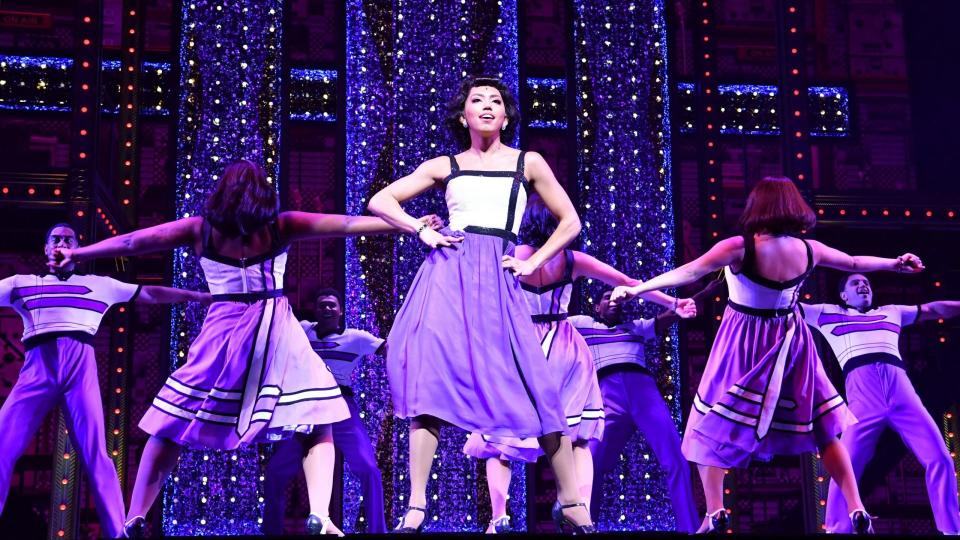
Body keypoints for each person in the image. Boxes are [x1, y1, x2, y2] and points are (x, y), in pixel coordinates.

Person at [50, 160, 439, 537]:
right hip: (273, 327)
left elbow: (135, 241)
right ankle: (319, 512)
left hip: (224, 327)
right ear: (263, 191)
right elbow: (349, 225)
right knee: (319, 418)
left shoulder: (200, 230)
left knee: (170, 422)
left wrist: (79, 255)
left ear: (221, 192)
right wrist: (411, 226)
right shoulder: (281, 225)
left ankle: (136, 515)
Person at [610, 176, 924, 534]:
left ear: (757, 206)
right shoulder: (808, 250)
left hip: (743, 341)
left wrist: (638, 289)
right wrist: (894, 262)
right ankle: (856, 506)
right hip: (791, 343)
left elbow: (690, 271)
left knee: (705, 424)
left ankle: (714, 511)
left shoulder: (740, 247)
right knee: (824, 430)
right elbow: (852, 262)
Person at [367, 76, 595, 533]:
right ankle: (415, 506)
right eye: (477, 100)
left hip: (499, 275)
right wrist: (420, 229)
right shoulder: (446, 165)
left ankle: (571, 501)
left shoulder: (527, 162)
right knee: (429, 383)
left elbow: (569, 221)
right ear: (463, 115)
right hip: (449, 273)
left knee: (535, 384)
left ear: (507, 117)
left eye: (496, 101)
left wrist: (537, 263)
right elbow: (380, 200)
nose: (487, 106)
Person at [461, 198, 696, 534]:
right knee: (579, 438)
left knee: (498, 441)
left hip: (523, 346)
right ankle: (580, 512)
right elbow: (627, 282)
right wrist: (673, 301)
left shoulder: (507, 258)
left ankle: (499, 517)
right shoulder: (570, 260)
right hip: (564, 348)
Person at [0, 223, 207, 538]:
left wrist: (196, 296)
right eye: (54, 238)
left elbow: (149, 293)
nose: (61, 242)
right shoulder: (21, 283)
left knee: (96, 453)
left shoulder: (99, 285)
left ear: (77, 250)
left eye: (68, 239)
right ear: (45, 249)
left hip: (79, 368)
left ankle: (117, 532)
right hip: (37, 368)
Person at [801, 273, 960, 534]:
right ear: (844, 296)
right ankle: (838, 529)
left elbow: (933, 309)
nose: (863, 285)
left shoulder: (892, 312)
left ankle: (952, 531)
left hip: (902, 393)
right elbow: (784, 306)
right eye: (855, 283)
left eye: (867, 283)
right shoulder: (827, 313)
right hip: (863, 396)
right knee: (845, 468)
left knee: (941, 458)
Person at [573, 280, 723, 533]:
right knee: (590, 466)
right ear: (596, 307)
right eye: (606, 297)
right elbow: (546, 320)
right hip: (608, 395)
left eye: (616, 297)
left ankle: (690, 529)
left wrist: (706, 293)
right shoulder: (582, 326)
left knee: (676, 458)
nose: (612, 300)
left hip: (643, 392)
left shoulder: (636, 328)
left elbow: (673, 312)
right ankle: (585, 527)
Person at [262, 287, 388, 535]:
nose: (327, 308)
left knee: (368, 468)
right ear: (316, 311)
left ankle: (377, 531)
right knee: (276, 471)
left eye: (332, 305)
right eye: (322, 305)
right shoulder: (304, 330)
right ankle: (272, 532)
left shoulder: (356, 338)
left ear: (341, 311)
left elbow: (389, 350)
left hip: (341, 405)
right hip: (306, 405)